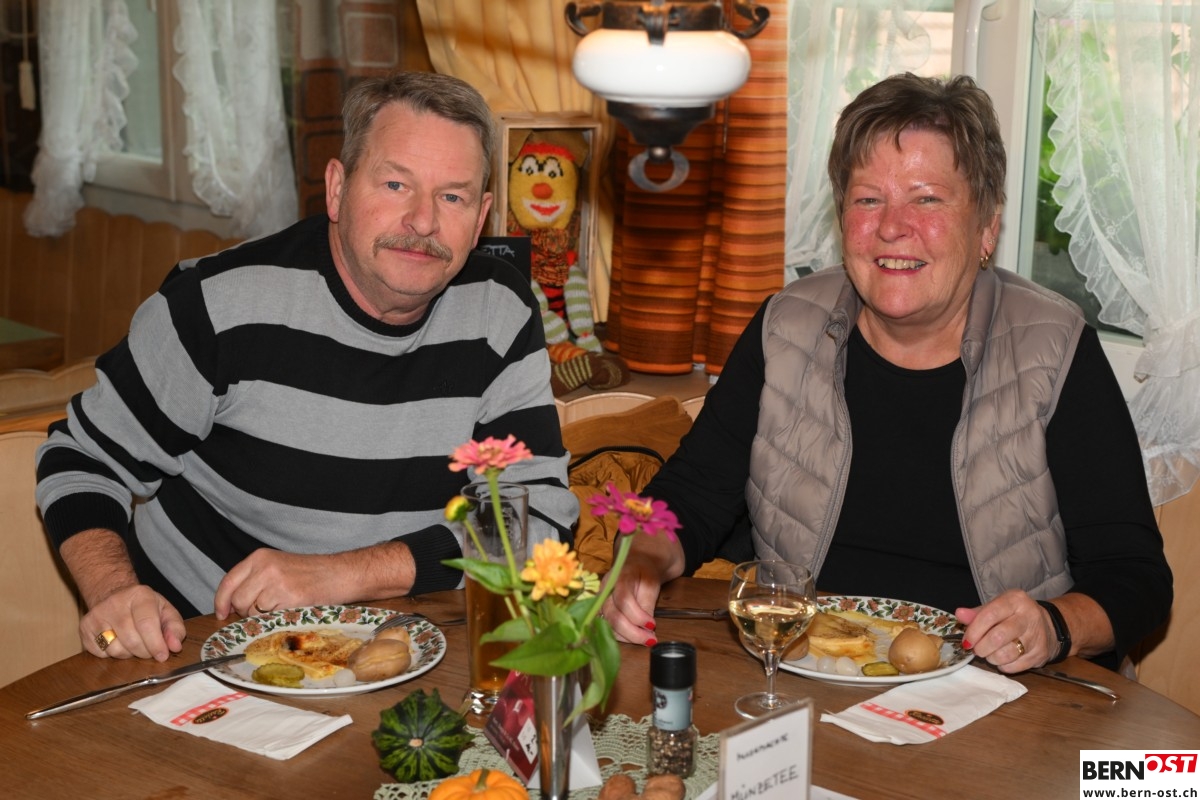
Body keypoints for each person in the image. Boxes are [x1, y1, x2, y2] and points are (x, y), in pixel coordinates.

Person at [602, 73, 1172, 673]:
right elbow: (688, 498)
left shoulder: (1053, 346)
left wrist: (1052, 626)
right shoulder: (786, 327)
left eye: (927, 200)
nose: (892, 226)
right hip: (815, 671)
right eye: (868, 199)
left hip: (1002, 693)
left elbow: (1135, 577)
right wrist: (639, 560)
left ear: (986, 226)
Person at [34, 72, 578, 662]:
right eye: (395, 184)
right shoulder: (218, 305)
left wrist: (346, 574)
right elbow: (82, 459)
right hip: (202, 650)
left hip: (405, 648)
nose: (423, 221)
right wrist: (114, 593)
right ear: (337, 189)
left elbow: (538, 515)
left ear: (481, 217)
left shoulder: (500, 311)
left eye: (452, 197)